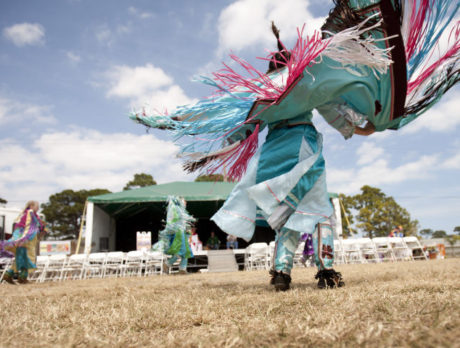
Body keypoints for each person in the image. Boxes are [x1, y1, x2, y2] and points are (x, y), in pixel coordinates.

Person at [131, 0, 459, 290]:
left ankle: (281, 272)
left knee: (293, 216)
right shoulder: (307, 83)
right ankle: (327, 270)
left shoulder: (264, 97)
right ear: (294, 66)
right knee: (319, 215)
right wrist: (370, 126)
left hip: (273, 154)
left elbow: (245, 128)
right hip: (302, 150)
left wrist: (217, 149)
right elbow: (337, 113)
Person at [0, 201, 46, 284]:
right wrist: (22, 239)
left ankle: (11, 275)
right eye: (37, 206)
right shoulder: (30, 213)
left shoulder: (28, 214)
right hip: (25, 241)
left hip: (25, 241)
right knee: (28, 257)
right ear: (31, 206)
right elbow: (28, 227)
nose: (38, 208)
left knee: (22, 258)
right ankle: (20, 277)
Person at [152, 196, 195, 274]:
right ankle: (168, 264)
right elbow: (174, 223)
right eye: (185, 202)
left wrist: (188, 234)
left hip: (183, 234)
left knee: (186, 252)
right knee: (180, 252)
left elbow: (186, 223)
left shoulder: (182, 211)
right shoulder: (176, 210)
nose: (186, 204)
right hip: (178, 233)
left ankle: (182, 269)